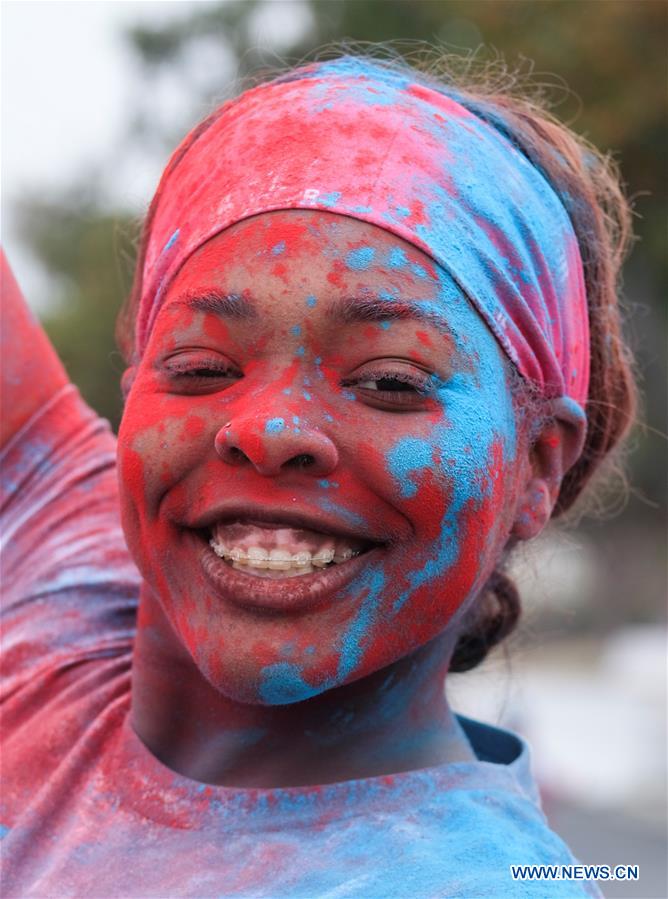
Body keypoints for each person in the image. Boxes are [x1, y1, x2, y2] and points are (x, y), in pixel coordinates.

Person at [1, 53, 635, 898]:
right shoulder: (56, 585)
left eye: (389, 381)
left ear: (535, 465)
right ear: (134, 395)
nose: (268, 430)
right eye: (198, 366)